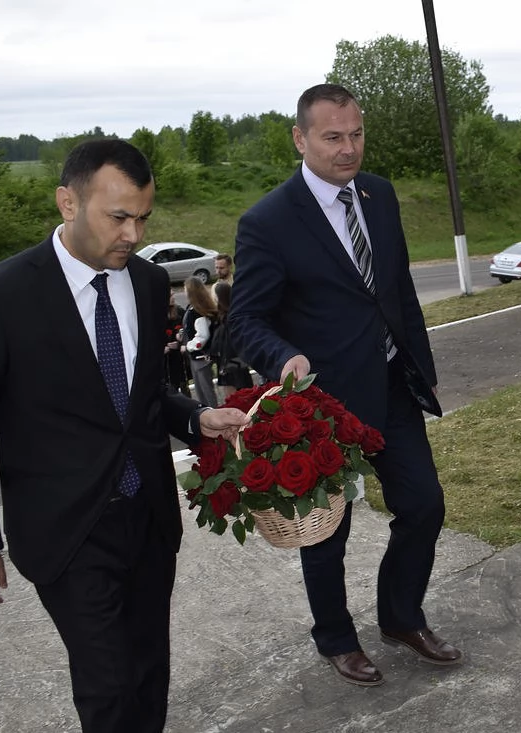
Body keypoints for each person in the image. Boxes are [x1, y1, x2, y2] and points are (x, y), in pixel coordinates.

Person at [0, 139, 249, 732]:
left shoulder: (148, 284)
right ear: (68, 203)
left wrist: (195, 418)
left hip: (147, 518)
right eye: (119, 217)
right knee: (108, 685)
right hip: (67, 530)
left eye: (143, 218)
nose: (133, 234)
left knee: (149, 671)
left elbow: (138, 397)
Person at [230, 83, 460, 687]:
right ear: (300, 138)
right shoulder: (268, 222)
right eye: (333, 137)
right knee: (326, 533)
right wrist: (284, 356)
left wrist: (422, 369)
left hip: (391, 385)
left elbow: (398, 291)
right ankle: (335, 637)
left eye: (356, 134)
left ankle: (401, 617)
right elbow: (244, 320)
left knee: (424, 505)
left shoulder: (379, 194)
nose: (348, 149)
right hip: (323, 405)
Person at [182, 275, 220, 407]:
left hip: (201, 358)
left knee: (206, 392)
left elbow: (202, 338)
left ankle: (212, 412)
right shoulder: (193, 309)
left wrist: (188, 346)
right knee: (201, 391)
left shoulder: (197, 313)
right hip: (197, 358)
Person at [210, 281, 253, 398]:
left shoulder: (231, 319)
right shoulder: (222, 317)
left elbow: (231, 345)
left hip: (233, 365)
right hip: (228, 364)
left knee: (236, 398)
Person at [164, 288, 191, 396]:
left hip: (179, 355)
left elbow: (187, 330)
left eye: (173, 295)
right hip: (166, 358)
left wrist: (180, 342)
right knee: (171, 386)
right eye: (170, 296)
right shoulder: (157, 315)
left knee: (183, 383)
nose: (173, 298)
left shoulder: (179, 311)